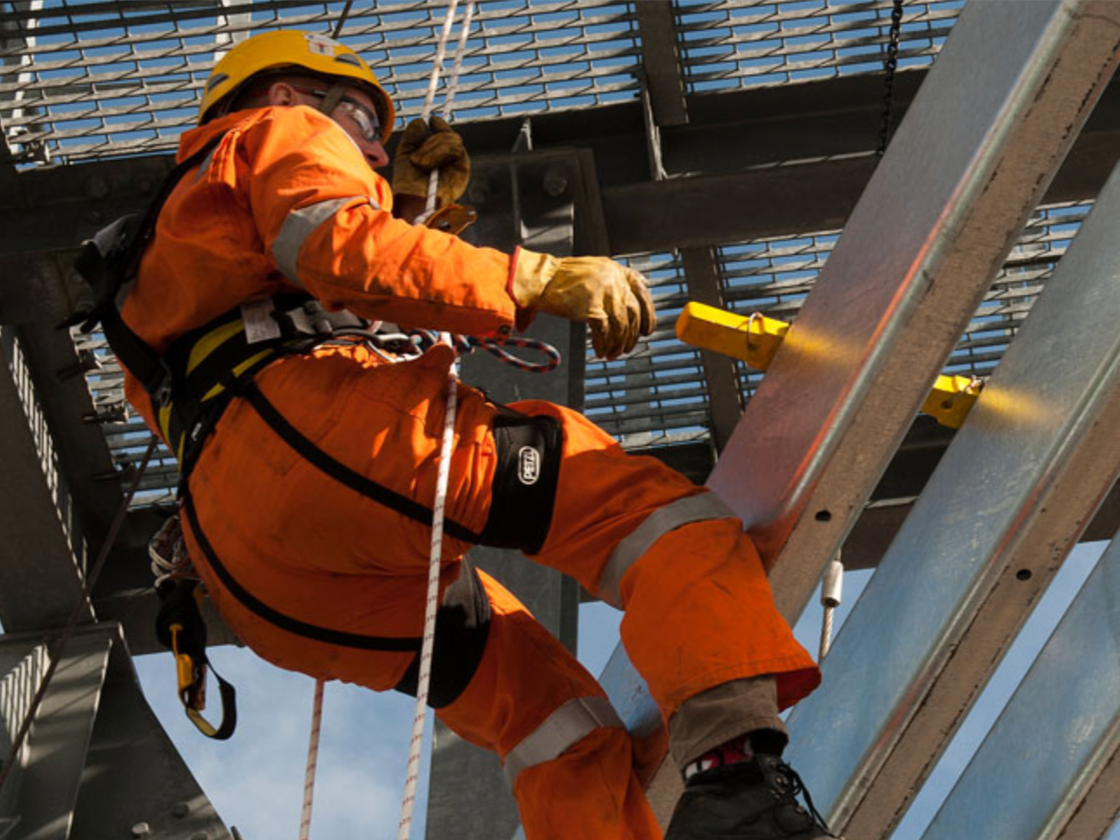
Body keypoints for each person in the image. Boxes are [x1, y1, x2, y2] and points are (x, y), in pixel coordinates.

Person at [116, 29, 830, 840]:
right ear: (282, 95)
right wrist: (533, 277)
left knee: (549, 718)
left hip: (253, 566)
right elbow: (338, 250)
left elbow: (293, 296)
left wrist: (412, 211)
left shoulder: (161, 253)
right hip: (324, 441)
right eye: (354, 112)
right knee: (652, 519)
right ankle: (734, 778)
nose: (372, 144)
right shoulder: (279, 131)